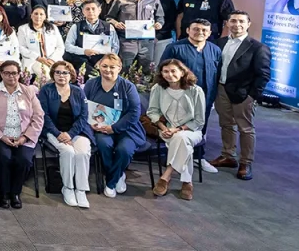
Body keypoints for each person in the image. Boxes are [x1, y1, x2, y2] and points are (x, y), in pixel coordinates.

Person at [209, 11, 271, 180]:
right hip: (221, 90)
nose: (237, 24)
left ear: (248, 24)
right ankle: (228, 155)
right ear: (227, 23)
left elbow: (263, 75)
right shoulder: (218, 43)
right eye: (233, 21)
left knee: (246, 128)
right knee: (226, 124)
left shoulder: (258, 48)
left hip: (244, 94)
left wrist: (252, 96)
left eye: (241, 21)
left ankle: (246, 162)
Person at [0, 60, 44, 209]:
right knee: (4, 158)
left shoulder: (29, 91)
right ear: (1, 74)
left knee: (24, 160)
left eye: (14, 73)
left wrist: (24, 137)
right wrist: (1, 136)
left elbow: (39, 116)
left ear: (19, 74)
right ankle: (4, 193)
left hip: (23, 136)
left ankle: (15, 193)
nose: (11, 76)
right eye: (7, 73)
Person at [84, 54, 146, 198]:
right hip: (100, 129)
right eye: (104, 66)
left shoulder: (128, 87)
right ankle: (118, 175)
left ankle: (112, 181)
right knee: (103, 145)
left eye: (112, 67)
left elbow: (134, 113)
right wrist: (91, 124)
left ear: (119, 68)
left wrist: (114, 128)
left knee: (124, 149)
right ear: (99, 67)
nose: (108, 70)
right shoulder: (91, 84)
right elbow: (83, 107)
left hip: (127, 129)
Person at [148, 59, 206, 201]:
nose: (169, 74)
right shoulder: (158, 89)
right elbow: (152, 112)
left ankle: (166, 176)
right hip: (167, 129)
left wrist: (178, 129)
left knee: (182, 138)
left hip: (192, 130)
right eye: (165, 71)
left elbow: (199, 120)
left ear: (182, 72)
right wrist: (164, 128)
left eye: (173, 71)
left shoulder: (196, 91)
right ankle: (187, 182)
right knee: (183, 144)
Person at [38, 61, 93, 208]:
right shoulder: (46, 90)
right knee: (68, 151)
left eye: (65, 72)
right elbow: (43, 115)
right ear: (53, 75)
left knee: (82, 153)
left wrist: (70, 134)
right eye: (58, 72)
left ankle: (81, 190)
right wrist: (58, 134)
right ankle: (67, 188)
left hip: (76, 131)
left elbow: (83, 116)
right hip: (53, 131)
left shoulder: (78, 91)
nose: (61, 75)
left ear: (71, 75)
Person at [160, 19, 221, 125]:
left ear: (210, 33)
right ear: (188, 30)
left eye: (204, 30)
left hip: (206, 96)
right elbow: (162, 71)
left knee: (201, 125)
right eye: (196, 29)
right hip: (180, 96)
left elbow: (218, 73)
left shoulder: (215, 50)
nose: (200, 32)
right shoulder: (174, 48)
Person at [107, 0, 163, 73]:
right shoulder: (120, 0)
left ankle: (145, 89)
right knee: (126, 69)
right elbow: (109, 18)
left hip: (147, 42)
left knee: (147, 70)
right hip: (127, 41)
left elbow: (160, 17)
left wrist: (159, 24)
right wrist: (116, 23)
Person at [64, 0, 120, 76]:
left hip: (102, 60)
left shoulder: (108, 27)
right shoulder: (76, 26)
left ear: (99, 10)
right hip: (82, 60)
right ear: (83, 11)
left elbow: (115, 46)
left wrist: (104, 60)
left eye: (93, 9)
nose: (91, 11)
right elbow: (68, 46)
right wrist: (84, 51)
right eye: (87, 9)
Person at [18, 6, 65, 77]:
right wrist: (38, 58)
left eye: (41, 14)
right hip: (34, 61)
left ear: (45, 16)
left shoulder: (53, 28)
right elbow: (21, 48)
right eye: (36, 14)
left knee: (64, 75)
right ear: (31, 15)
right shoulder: (23, 29)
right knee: (46, 76)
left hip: (53, 60)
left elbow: (60, 47)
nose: (38, 16)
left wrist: (52, 59)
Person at [149, 0, 178, 64]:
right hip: (144, 38)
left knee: (159, 64)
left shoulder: (169, 1)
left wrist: (158, 37)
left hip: (162, 39)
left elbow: (170, 20)